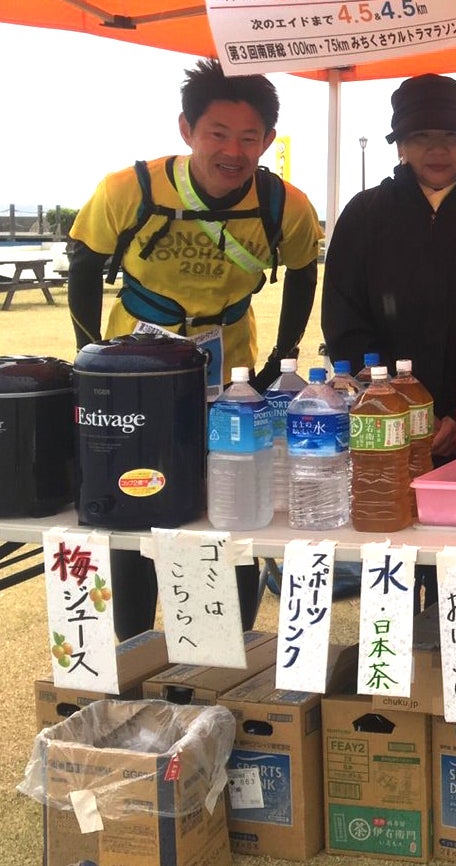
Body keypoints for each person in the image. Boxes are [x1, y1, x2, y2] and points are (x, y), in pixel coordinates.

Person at [69, 57, 323, 638]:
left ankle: (230, 648)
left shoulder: (285, 203)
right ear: (186, 130)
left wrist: (277, 359)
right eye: (217, 133)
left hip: (230, 368)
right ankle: (134, 644)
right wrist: (91, 360)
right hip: (134, 368)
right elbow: (83, 263)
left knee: (233, 503)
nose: (233, 151)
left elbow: (304, 272)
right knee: (132, 503)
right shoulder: (128, 189)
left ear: (268, 140)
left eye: (249, 137)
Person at [322, 74, 456, 462]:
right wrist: (399, 404)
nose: (437, 149)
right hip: (386, 426)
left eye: (452, 136)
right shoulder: (364, 215)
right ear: (400, 145)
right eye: (422, 136)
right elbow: (344, 322)